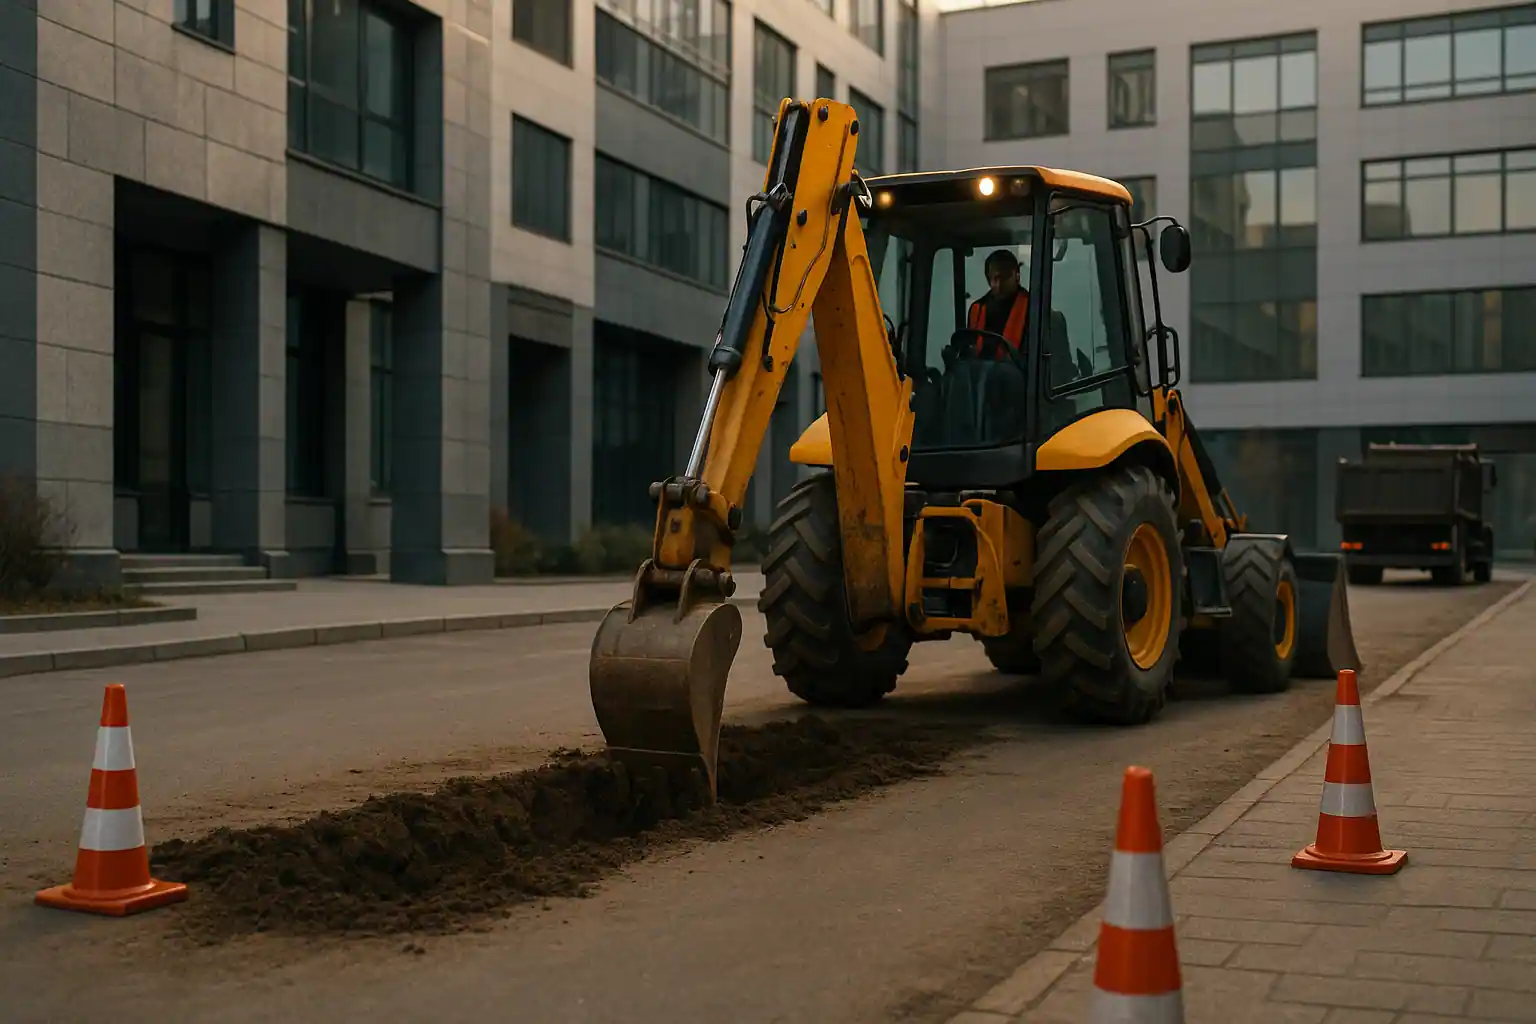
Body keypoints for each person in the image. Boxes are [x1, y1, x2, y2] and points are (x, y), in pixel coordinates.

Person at [966, 248, 1029, 357]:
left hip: (1018, 372)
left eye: (1005, 277)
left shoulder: (1033, 308)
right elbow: (970, 350)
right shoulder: (977, 309)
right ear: (988, 279)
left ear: (1017, 275)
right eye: (995, 279)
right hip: (980, 371)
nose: (999, 285)